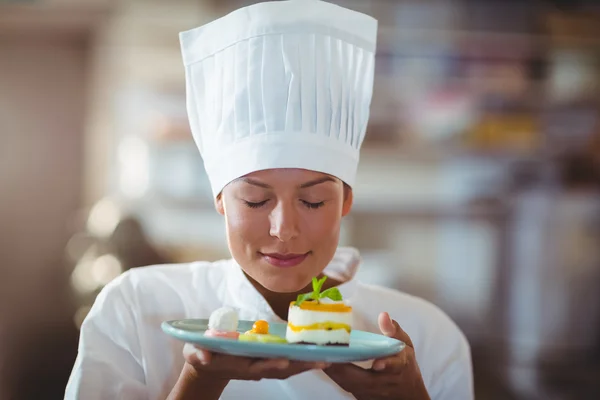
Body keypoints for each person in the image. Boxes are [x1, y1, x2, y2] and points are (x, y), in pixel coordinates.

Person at [65, 1, 473, 399]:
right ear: (221, 199)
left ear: (346, 201)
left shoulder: (428, 335)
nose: (284, 229)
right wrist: (197, 383)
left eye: (312, 201)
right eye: (256, 201)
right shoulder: (138, 307)